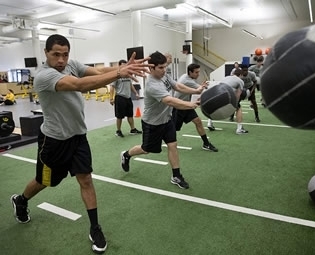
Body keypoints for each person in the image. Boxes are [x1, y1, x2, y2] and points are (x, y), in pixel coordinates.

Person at [10, 34, 151, 254]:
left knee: (85, 179)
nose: (61, 59)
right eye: (56, 54)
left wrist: (122, 69)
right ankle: (21, 199)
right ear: (46, 53)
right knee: (45, 181)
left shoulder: (71, 65)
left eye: (65, 54)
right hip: (53, 141)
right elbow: (79, 85)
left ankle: (95, 227)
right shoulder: (44, 76)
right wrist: (118, 73)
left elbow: (95, 72)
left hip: (78, 137)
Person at [120, 51, 205, 189]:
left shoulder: (164, 76)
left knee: (173, 145)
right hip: (152, 124)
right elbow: (169, 100)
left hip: (167, 120)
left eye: (165, 66)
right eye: (160, 67)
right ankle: (127, 154)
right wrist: (191, 104)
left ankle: (176, 176)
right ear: (150, 68)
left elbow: (177, 86)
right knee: (145, 149)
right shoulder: (152, 85)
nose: (164, 70)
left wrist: (195, 91)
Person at [174, 63, 218, 152]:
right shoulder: (187, 81)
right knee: (172, 128)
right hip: (178, 107)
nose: (198, 74)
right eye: (196, 72)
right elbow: (200, 90)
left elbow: (197, 90)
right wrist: (205, 88)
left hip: (186, 105)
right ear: (190, 72)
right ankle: (156, 139)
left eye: (199, 72)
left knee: (198, 121)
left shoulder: (187, 77)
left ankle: (206, 143)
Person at [207, 69, 248, 134]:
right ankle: (239, 129)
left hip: (217, 93)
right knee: (238, 109)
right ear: (240, 75)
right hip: (226, 94)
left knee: (215, 108)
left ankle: (209, 123)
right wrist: (236, 102)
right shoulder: (240, 80)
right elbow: (238, 93)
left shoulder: (226, 77)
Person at [110, 59, 142, 138]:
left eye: (125, 65)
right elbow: (112, 87)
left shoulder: (127, 75)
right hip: (120, 97)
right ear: (119, 65)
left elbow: (130, 85)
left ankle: (133, 129)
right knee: (119, 116)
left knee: (130, 115)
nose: (125, 66)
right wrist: (111, 98)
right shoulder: (117, 76)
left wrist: (136, 93)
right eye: (123, 65)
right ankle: (118, 131)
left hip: (128, 98)